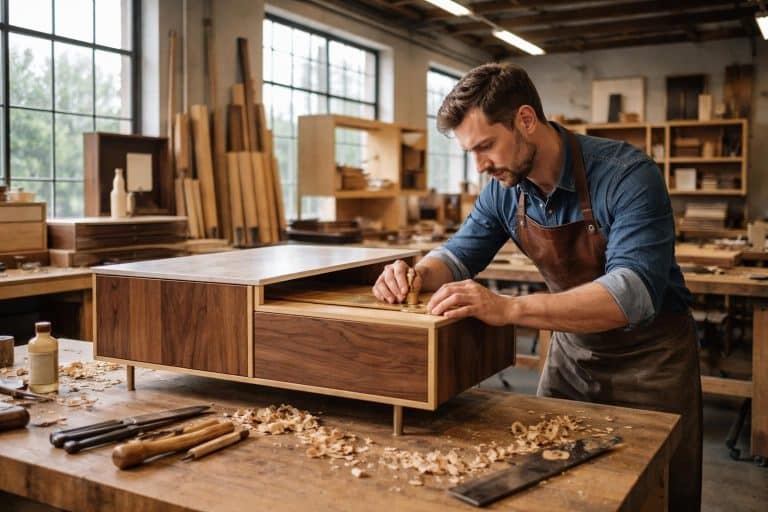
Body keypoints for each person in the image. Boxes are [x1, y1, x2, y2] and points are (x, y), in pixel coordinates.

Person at [372, 63, 701, 511]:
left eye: (486, 146)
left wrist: (507, 309)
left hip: (653, 358)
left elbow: (632, 294)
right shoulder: (503, 188)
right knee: (549, 490)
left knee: (659, 493)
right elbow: (458, 255)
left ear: (526, 120)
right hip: (571, 358)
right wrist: (414, 274)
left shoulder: (627, 175)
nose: (481, 165)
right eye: (472, 152)